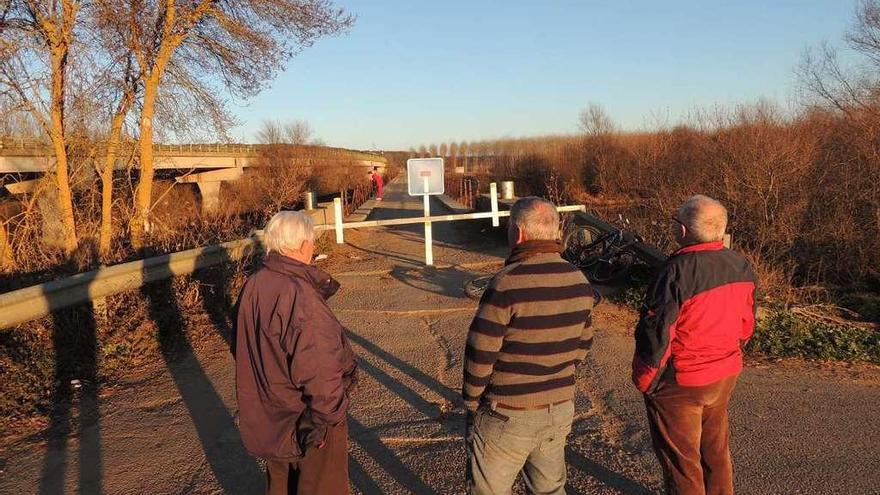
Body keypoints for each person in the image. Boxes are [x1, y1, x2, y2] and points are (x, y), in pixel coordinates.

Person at [463, 197, 595, 495]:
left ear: (518, 234)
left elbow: (480, 352)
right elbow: (583, 347)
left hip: (506, 413)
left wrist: (472, 401)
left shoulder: (506, 283)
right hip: (559, 408)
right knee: (549, 489)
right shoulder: (579, 280)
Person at [632, 195, 757, 495]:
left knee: (682, 464)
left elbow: (657, 331)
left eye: (676, 222)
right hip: (725, 372)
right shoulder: (741, 265)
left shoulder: (676, 271)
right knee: (715, 451)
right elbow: (747, 324)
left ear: (683, 231)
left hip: (683, 381)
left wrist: (645, 379)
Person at [233, 210, 358, 495]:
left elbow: (240, 347)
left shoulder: (253, 285)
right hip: (308, 422)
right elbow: (319, 367)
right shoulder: (300, 296)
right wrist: (327, 422)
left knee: (281, 487)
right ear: (303, 245)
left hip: (270, 418)